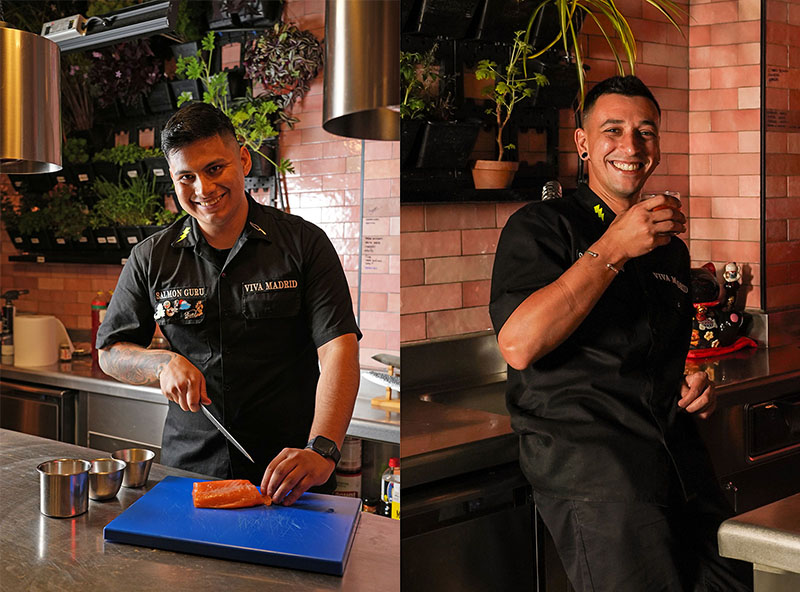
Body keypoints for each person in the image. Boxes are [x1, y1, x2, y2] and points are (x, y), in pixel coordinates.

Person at [489, 76, 752, 591]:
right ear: (583, 143)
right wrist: (614, 246)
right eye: (613, 130)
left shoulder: (667, 247)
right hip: (599, 478)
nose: (631, 146)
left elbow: (650, 353)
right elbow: (518, 344)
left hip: (677, 464)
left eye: (645, 132)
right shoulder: (541, 227)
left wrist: (691, 380)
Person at [97, 102, 361, 507]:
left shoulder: (303, 244)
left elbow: (338, 348)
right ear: (173, 179)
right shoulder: (152, 257)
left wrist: (323, 449)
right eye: (187, 177)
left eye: (214, 169)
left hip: (291, 474)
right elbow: (110, 351)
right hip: (189, 474)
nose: (203, 189)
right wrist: (160, 363)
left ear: (243, 159)